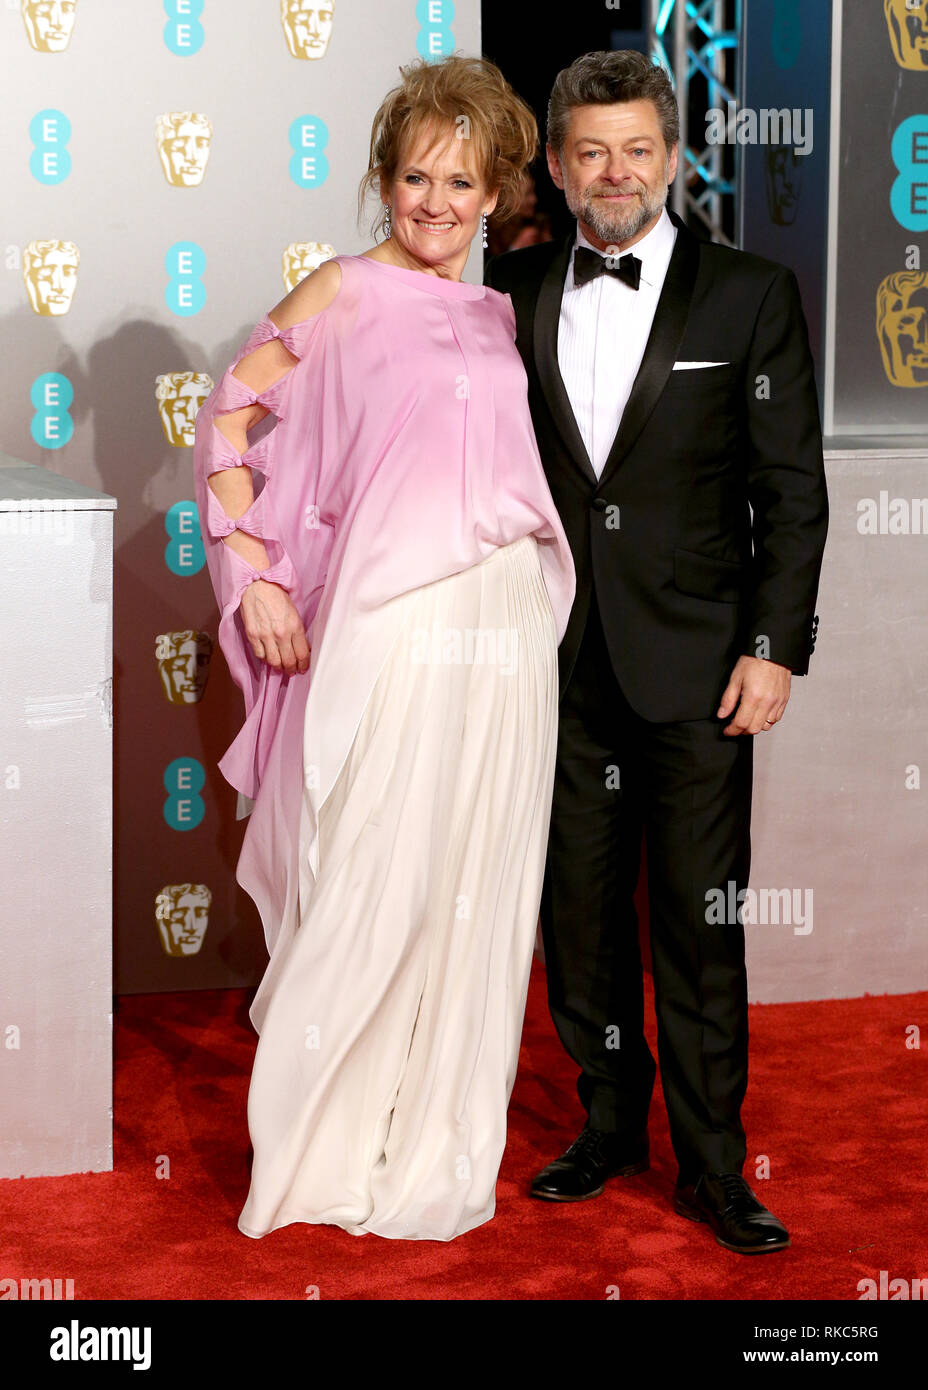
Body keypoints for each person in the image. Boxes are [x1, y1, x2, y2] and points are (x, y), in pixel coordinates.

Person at [192, 54, 575, 1242]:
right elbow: (228, 422)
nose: (436, 203)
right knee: (373, 881)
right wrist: (253, 577)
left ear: (494, 188)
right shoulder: (341, 291)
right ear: (383, 178)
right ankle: (319, 1150)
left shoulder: (496, 310)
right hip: (395, 626)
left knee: (478, 889)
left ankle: (431, 1135)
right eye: (416, 176)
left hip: (506, 621)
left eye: (462, 181)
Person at [484, 50, 828, 1254]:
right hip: (553, 663)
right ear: (557, 165)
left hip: (698, 669)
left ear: (672, 159)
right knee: (577, 921)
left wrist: (775, 646)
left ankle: (715, 1167)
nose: (614, 171)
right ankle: (608, 1128)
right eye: (589, 150)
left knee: (696, 921)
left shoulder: (748, 293)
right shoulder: (510, 287)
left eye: (637, 148)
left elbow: (791, 491)